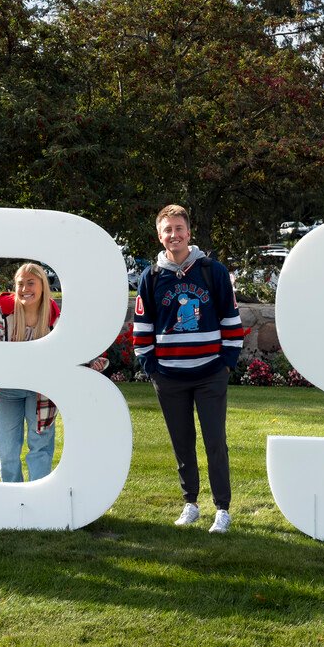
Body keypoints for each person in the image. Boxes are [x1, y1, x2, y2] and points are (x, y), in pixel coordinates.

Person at [132, 204, 244, 532]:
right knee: (182, 443)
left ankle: (222, 508)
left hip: (210, 373)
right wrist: (152, 367)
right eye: (168, 230)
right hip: (169, 376)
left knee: (214, 442)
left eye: (179, 229)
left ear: (189, 233)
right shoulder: (151, 277)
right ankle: (191, 503)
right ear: (159, 235)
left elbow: (231, 321)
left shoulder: (213, 271)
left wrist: (226, 364)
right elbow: (142, 326)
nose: (174, 235)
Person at [0, 262, 65, 482]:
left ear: (42, 285)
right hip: (7, 390)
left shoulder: (53, 315)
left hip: (40, 390)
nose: (24, 289)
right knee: (6, 452)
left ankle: (38, 502)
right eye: (20, 284)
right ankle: (13, 501)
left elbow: (65, 352)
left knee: (40, 448)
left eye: (31, 283)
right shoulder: (1, 311)